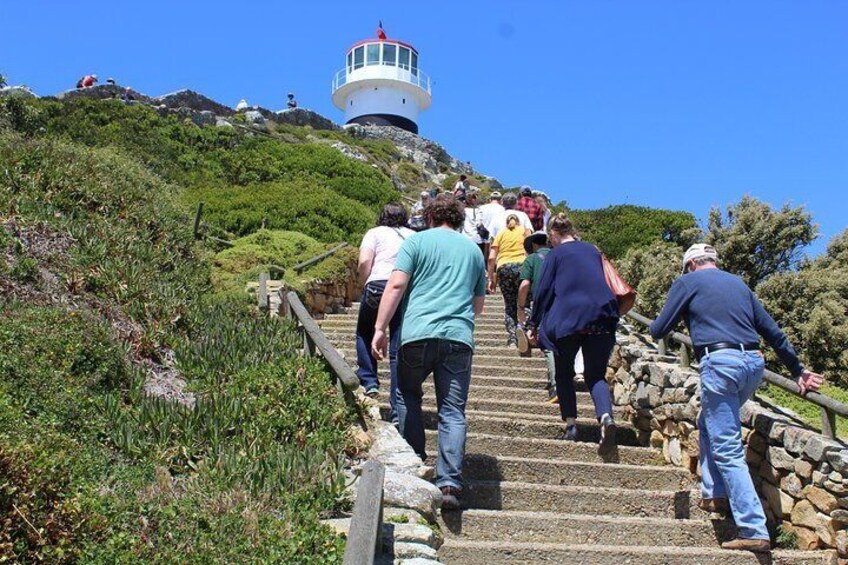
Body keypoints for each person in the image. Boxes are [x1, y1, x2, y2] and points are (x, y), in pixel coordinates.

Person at [650, 244, 824, 553]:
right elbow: (772, 332)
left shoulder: (687, 283)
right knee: (710, 421)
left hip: (720, 363)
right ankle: (714, 492)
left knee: (727, 446)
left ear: (690, 265)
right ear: (714, 262)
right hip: (753, 366)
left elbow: (659, 329)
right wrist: (798, 370)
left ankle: (753, 528)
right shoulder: (738, 283)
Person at [372, 196, 487, 510]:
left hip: (416, 334)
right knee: (452, 411)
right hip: (458, 339)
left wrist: (380, 329)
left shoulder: (416, 243)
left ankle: (414, 461)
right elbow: (478, 305)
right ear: (459, 218)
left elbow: (395, 286)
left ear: (430, 215)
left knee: (407, 394)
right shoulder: (474, 252)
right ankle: (449, 482)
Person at [528, 214, 619, 451]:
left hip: (567, 319)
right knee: (595, 375)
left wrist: (533, 323)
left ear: (553, 235)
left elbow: (544, 290)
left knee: (564, 373)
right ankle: (606, 418)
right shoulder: (592, 250)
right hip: (602, 317)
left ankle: (571, 426)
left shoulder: (555, 254)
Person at [355, 204, 414, 424]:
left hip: (378, 284)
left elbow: (363, 262)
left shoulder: (374, 233)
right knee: (398, 345)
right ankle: (398, 408)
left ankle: (369, 381)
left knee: (365, 331)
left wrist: (365, 283)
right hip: (404, 288)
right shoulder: (412, 236)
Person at [516, 231, 557, 401]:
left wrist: (520, 307)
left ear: (533, 245)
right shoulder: (558, 256)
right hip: (564, 304)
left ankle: (556, 385)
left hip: (541, 304)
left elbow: (525, 284)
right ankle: (560, 379)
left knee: (547, 345)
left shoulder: (532, 259)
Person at [488, 213, 527, 347]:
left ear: (507, 223)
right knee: (524, 302)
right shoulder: (524, 231)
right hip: (522, 267)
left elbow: (491, 257)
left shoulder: (501, 234)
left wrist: (491, 278)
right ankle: (525, 330)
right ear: (518, 222)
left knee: (509, 304)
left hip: (503, 268)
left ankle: (512, 338)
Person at [460, 189, 489, 257]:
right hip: (476, 238)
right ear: (474, 200)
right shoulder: (478, 211)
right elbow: (478, 224)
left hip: (464, 238)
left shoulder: (462, 211)